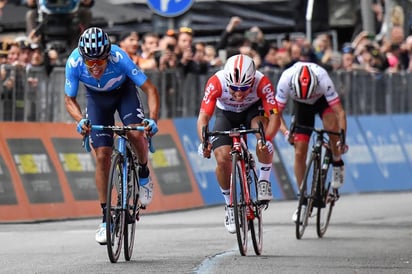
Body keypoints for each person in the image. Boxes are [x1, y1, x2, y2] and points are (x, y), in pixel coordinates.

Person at [64, 27, 160, 245]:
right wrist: (80, 120)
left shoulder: (120, 58)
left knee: (135, 131)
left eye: (100, 61)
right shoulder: (74, 62)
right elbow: (69, 99)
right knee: (102, 156)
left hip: (124, 93)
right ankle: (106, 219)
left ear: (108, 55)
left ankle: (143, 173)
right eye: (90, 62)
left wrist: (153, 119)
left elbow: (151, 89)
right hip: (97, 100)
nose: (95, 67)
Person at [197, 54, 280, 233]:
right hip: (225, 114)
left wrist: (266, 139)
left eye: (244, 88)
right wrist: (205, 142)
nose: (239, 93)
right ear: (227, 81)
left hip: (253, 111)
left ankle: (264, 181)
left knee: (260, 130)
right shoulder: (216, 82)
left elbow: (274, 115)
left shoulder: (262, 82)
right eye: (234, 88)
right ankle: (229, 205)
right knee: (222, 158)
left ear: (252, 81)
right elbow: (204, 116)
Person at [275, 61, 348, 222]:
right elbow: (275, 114)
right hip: (301, 108)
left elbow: (340, 113)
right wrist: (286, 132)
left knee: (331, 125)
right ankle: (302, 201)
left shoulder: (323, 78)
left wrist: (341, 139)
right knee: (299, 152)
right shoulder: (286, 79)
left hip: (322, 102)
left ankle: (336, 161)